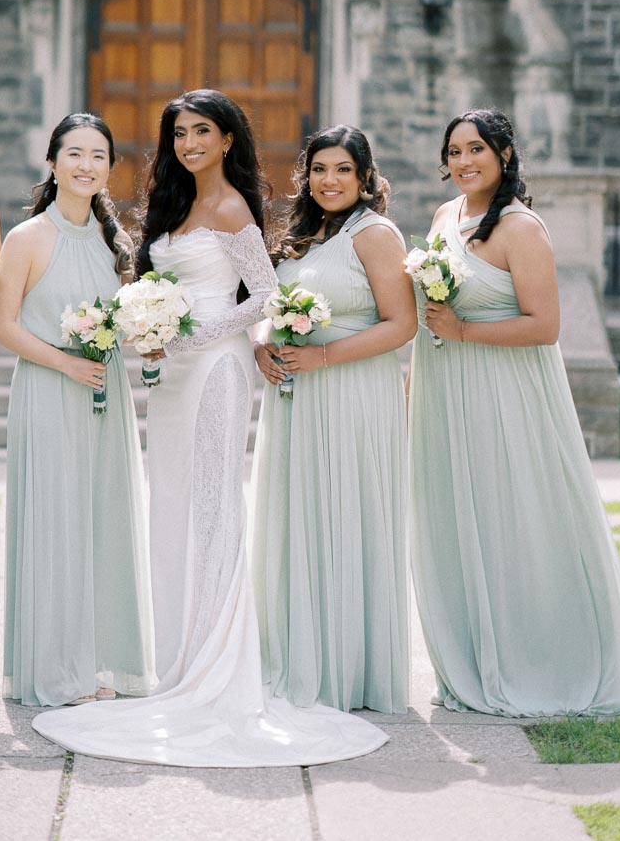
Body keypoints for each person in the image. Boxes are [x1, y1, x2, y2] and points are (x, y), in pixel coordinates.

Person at [35, 90, 388, 766]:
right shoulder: (171, 205)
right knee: (172, 506)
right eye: (179, 133)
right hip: (171, 378)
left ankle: (219, 667)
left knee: (212, 507)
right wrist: (151, 329)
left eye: (202, 131)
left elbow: (263, 296)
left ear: (228, 140)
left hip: (219, 371)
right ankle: (178, 659)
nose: (188, 142)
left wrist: (195, 330)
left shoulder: (230, 206)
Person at [409, 107, 620, 717]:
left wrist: (462, 330)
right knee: (463, 516)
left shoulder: (521, 227)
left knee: (516, 515)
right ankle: (475, 655)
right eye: (453, 151)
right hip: (448, 390)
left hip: (506, 393)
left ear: (504, 156)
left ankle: (540, 656)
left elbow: (546, 326)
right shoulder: (444, 217)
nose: (463, 162)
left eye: (475, 149)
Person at [0, 112, 154, 707]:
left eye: (99, 156)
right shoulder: (28, 238)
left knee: (101, 522)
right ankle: (56, 669)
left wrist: (149, 337)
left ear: (110, 168)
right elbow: (2, 325)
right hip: (50, 389)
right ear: (53, 162)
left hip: (104, 398)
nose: (87, 166)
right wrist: (65, 365)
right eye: (75, 154)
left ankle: (96, 661)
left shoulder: (117, 242)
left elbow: (123, 323)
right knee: (56, 523)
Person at [251, 125, 415, 714]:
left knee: (346, 511)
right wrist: (262, 343)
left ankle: (350, 667)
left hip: (351, 392)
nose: (330, 180)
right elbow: (269, 308)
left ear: (366, 177)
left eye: (343, 169)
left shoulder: (376, 235)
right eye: (319, 169)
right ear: (305, 176)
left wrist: (322, 355)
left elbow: (401, 325)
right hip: (297, 397)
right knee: (300, 514)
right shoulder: (300, 234)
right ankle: (300, 653)